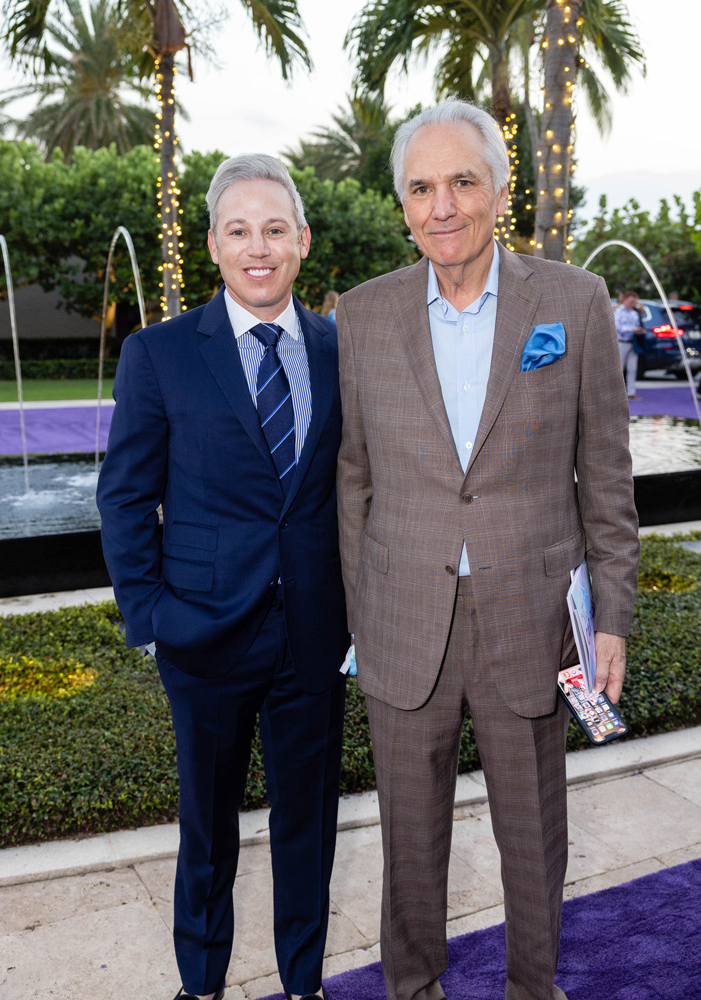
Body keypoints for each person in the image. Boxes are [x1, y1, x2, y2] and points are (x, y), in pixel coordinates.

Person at [336, 99, 639, 1000]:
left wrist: (611, 619)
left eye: (462, 181)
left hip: (532, 619)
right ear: (401, 207)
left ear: (499, 191)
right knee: (409, 845)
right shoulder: (360, 316)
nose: (443, 206)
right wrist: (362, 614)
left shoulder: (574, 303)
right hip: (404, 622)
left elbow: (608, 480)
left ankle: (531, 991)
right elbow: (351, 480)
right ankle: (414, 989)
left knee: (535, 842)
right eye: (422, 188)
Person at [97, 154, 348, 1000]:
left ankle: (303, 984)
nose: (259, 248)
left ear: (302, 241)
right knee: (207, 830)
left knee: (308, 826)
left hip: (313, 634)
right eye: (239, 230)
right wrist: (152, 615)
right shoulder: (158, 354)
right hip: (201, 633)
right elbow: (125, 497)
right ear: (213, 244)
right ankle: (199, 985)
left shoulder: (341, 351)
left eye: (275, 229)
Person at [614, 289, 645, 399]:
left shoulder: (634, 313)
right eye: (632, 300)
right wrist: (632, 329)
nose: (634, 303)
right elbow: (617, 327)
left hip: (633, 343)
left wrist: (640, 330)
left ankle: (630, 392)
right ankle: (616, 392)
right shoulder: (618, 311)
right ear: (626, 299)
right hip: (621, 342)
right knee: (619, 368)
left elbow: (638, 324)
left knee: (633, 368)